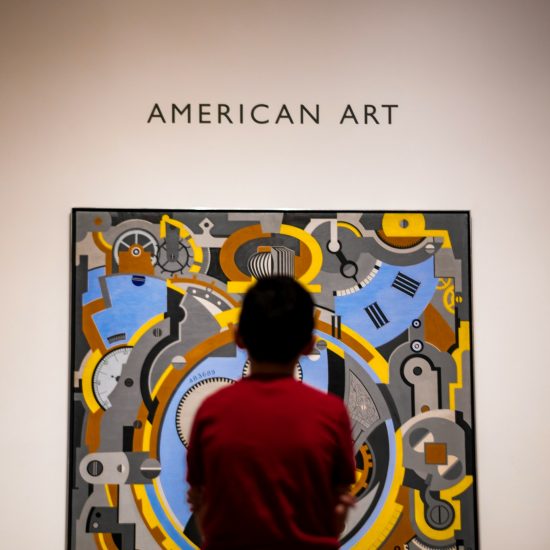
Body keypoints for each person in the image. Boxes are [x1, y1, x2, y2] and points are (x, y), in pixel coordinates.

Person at [186, 276, 356, 549]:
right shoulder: (331, 414)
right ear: (309, 344)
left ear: (239, 338)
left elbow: (200, 501)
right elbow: (337, 509)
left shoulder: (211, 411)